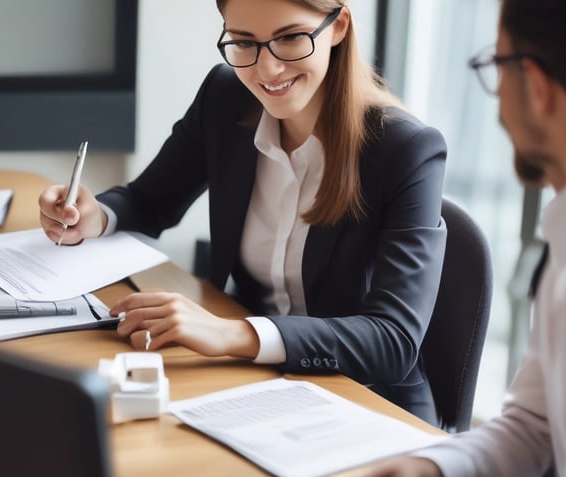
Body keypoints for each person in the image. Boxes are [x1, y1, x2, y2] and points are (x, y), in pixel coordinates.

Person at [38, 0, 447, 424]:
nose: (266, 70)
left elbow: (393, 340)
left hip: (366, 403)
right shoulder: (225, 97)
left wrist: (231, 333)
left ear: (339, 26)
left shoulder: (404, 149)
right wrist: (95, 216)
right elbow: (150, 200)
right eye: (244, 42)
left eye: (290, 38)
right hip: (256, 384)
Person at [343, 0, 566, 477]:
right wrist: (428, 472)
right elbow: (532, 425)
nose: (497, 103)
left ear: (535, 83)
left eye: (494, 67)